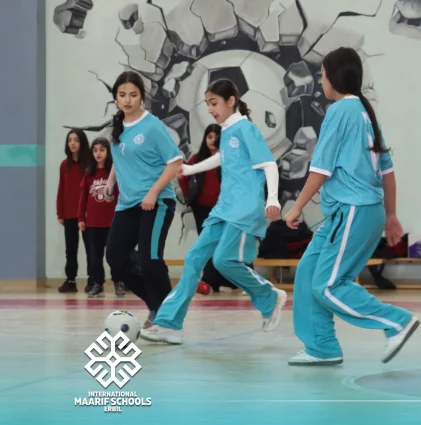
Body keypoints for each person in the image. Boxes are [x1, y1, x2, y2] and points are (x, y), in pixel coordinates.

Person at [281, 47, 419, 366]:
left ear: (333, 77)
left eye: (322, 74)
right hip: (355, 212)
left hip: (353, 211)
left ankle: (396, 321)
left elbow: (321, 168)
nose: (320, 80)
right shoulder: (365, 112)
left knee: (328, 285)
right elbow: (387, 171)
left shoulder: (340, 111)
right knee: (308, 272)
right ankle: (321, 346)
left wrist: (296, 206)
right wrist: (392, 215)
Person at [141, 79, 288, 344]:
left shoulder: (246, 129)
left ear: (231, 100)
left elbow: (269, 165)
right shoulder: (228, 130)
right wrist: (189, 169)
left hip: (243, 210)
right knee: (194, 259)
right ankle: (170, 324)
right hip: (223, 208)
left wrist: (273, 200)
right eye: (207, 103)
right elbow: (224, 157)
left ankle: (268, 296)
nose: (210, 109)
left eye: (214, 103)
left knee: (223, 261)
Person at [102, 71, 182, 329]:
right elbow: (120, 155)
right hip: (127, 204)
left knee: (150, 258)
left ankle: (167, 319)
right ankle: (159, 305)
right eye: (122, 95)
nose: (127, 100)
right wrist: (111, 182)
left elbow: (175, 162)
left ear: (142, 97)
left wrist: (153, 192)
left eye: (133, 95)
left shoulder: (153, 126)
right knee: (116, 258)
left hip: (156, 203)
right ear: (116, 98)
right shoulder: (117, 126)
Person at [177, 123, 237, 293]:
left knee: (225, 244)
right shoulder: (198, 158)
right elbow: (183, 176)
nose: (212, 140)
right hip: (202, 208)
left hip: (225, 209)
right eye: (209, 137)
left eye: (216, 137)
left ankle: (226, 280)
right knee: (208, 244)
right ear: (204, 139)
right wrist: (189, 194)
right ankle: (211, 281)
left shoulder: (229, 157)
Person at [78, 137, 125, 298]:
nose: (98, 153)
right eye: (95, 150)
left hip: (112, 222)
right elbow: (83, 197)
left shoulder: (114, 171)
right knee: (95, 256)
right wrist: (81, 218)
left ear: (108, 152)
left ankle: (119, 281)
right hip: (93, 223)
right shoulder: (89, 173)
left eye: (102, 150)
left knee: (114, 255)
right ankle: (98, 283)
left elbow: (120, 196)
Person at [56, 129, 91, 293]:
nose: (72, 143)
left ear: (82, 142)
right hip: (69, 213)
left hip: (87, 214)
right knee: (70, 249)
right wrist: (60, 212)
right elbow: (61, 189)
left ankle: (93, 280)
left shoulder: (90, 164)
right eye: (70, 140)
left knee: (91, 248)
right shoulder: (64, 165)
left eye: (76, 140)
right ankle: (70, 280)